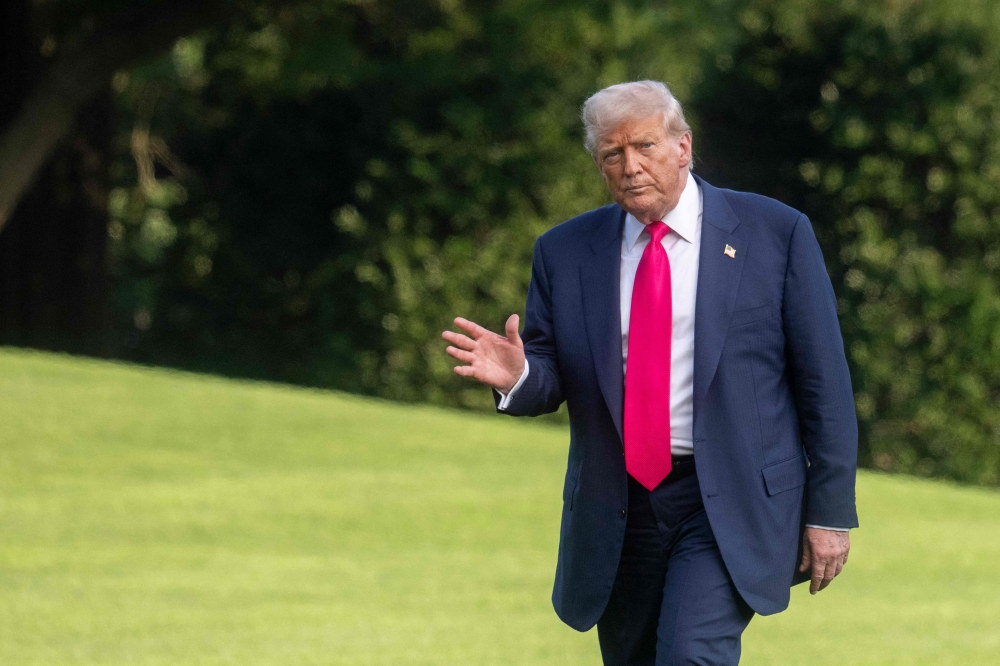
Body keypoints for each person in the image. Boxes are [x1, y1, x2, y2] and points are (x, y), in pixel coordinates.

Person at [441, 80, 858, 665]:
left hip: (725, 502)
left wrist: (830, 512)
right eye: (612, 154)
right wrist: (516, 377)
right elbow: (552, 377)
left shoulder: (775, 234)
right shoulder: (565, 251)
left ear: (683, 147)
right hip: (619, 505)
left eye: (644, 147)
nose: (630, 166)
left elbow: (825, 385)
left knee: (691, 655)